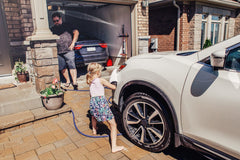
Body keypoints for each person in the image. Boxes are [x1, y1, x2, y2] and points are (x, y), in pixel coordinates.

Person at [86, 63, 125, 153]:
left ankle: (94, 130)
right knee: (113, 125)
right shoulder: (101, 80)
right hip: (101, 103)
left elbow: (91, 94)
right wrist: (114, 81)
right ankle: (114, 147)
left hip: (93, 102)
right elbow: (113, 87)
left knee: (93, 116)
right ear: (98, 72)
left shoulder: (90, 80)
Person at [50, 12, 79, 90]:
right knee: (62, 67)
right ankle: (68, 81)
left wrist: (73, 44)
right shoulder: (52, 29)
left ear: (61, 19)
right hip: (59, 52)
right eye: (54, 21)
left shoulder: (67, 25)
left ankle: (75, 82)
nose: (56, 22)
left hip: (68, 50)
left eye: (57, 20)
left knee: (71, 65)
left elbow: (76, 32)